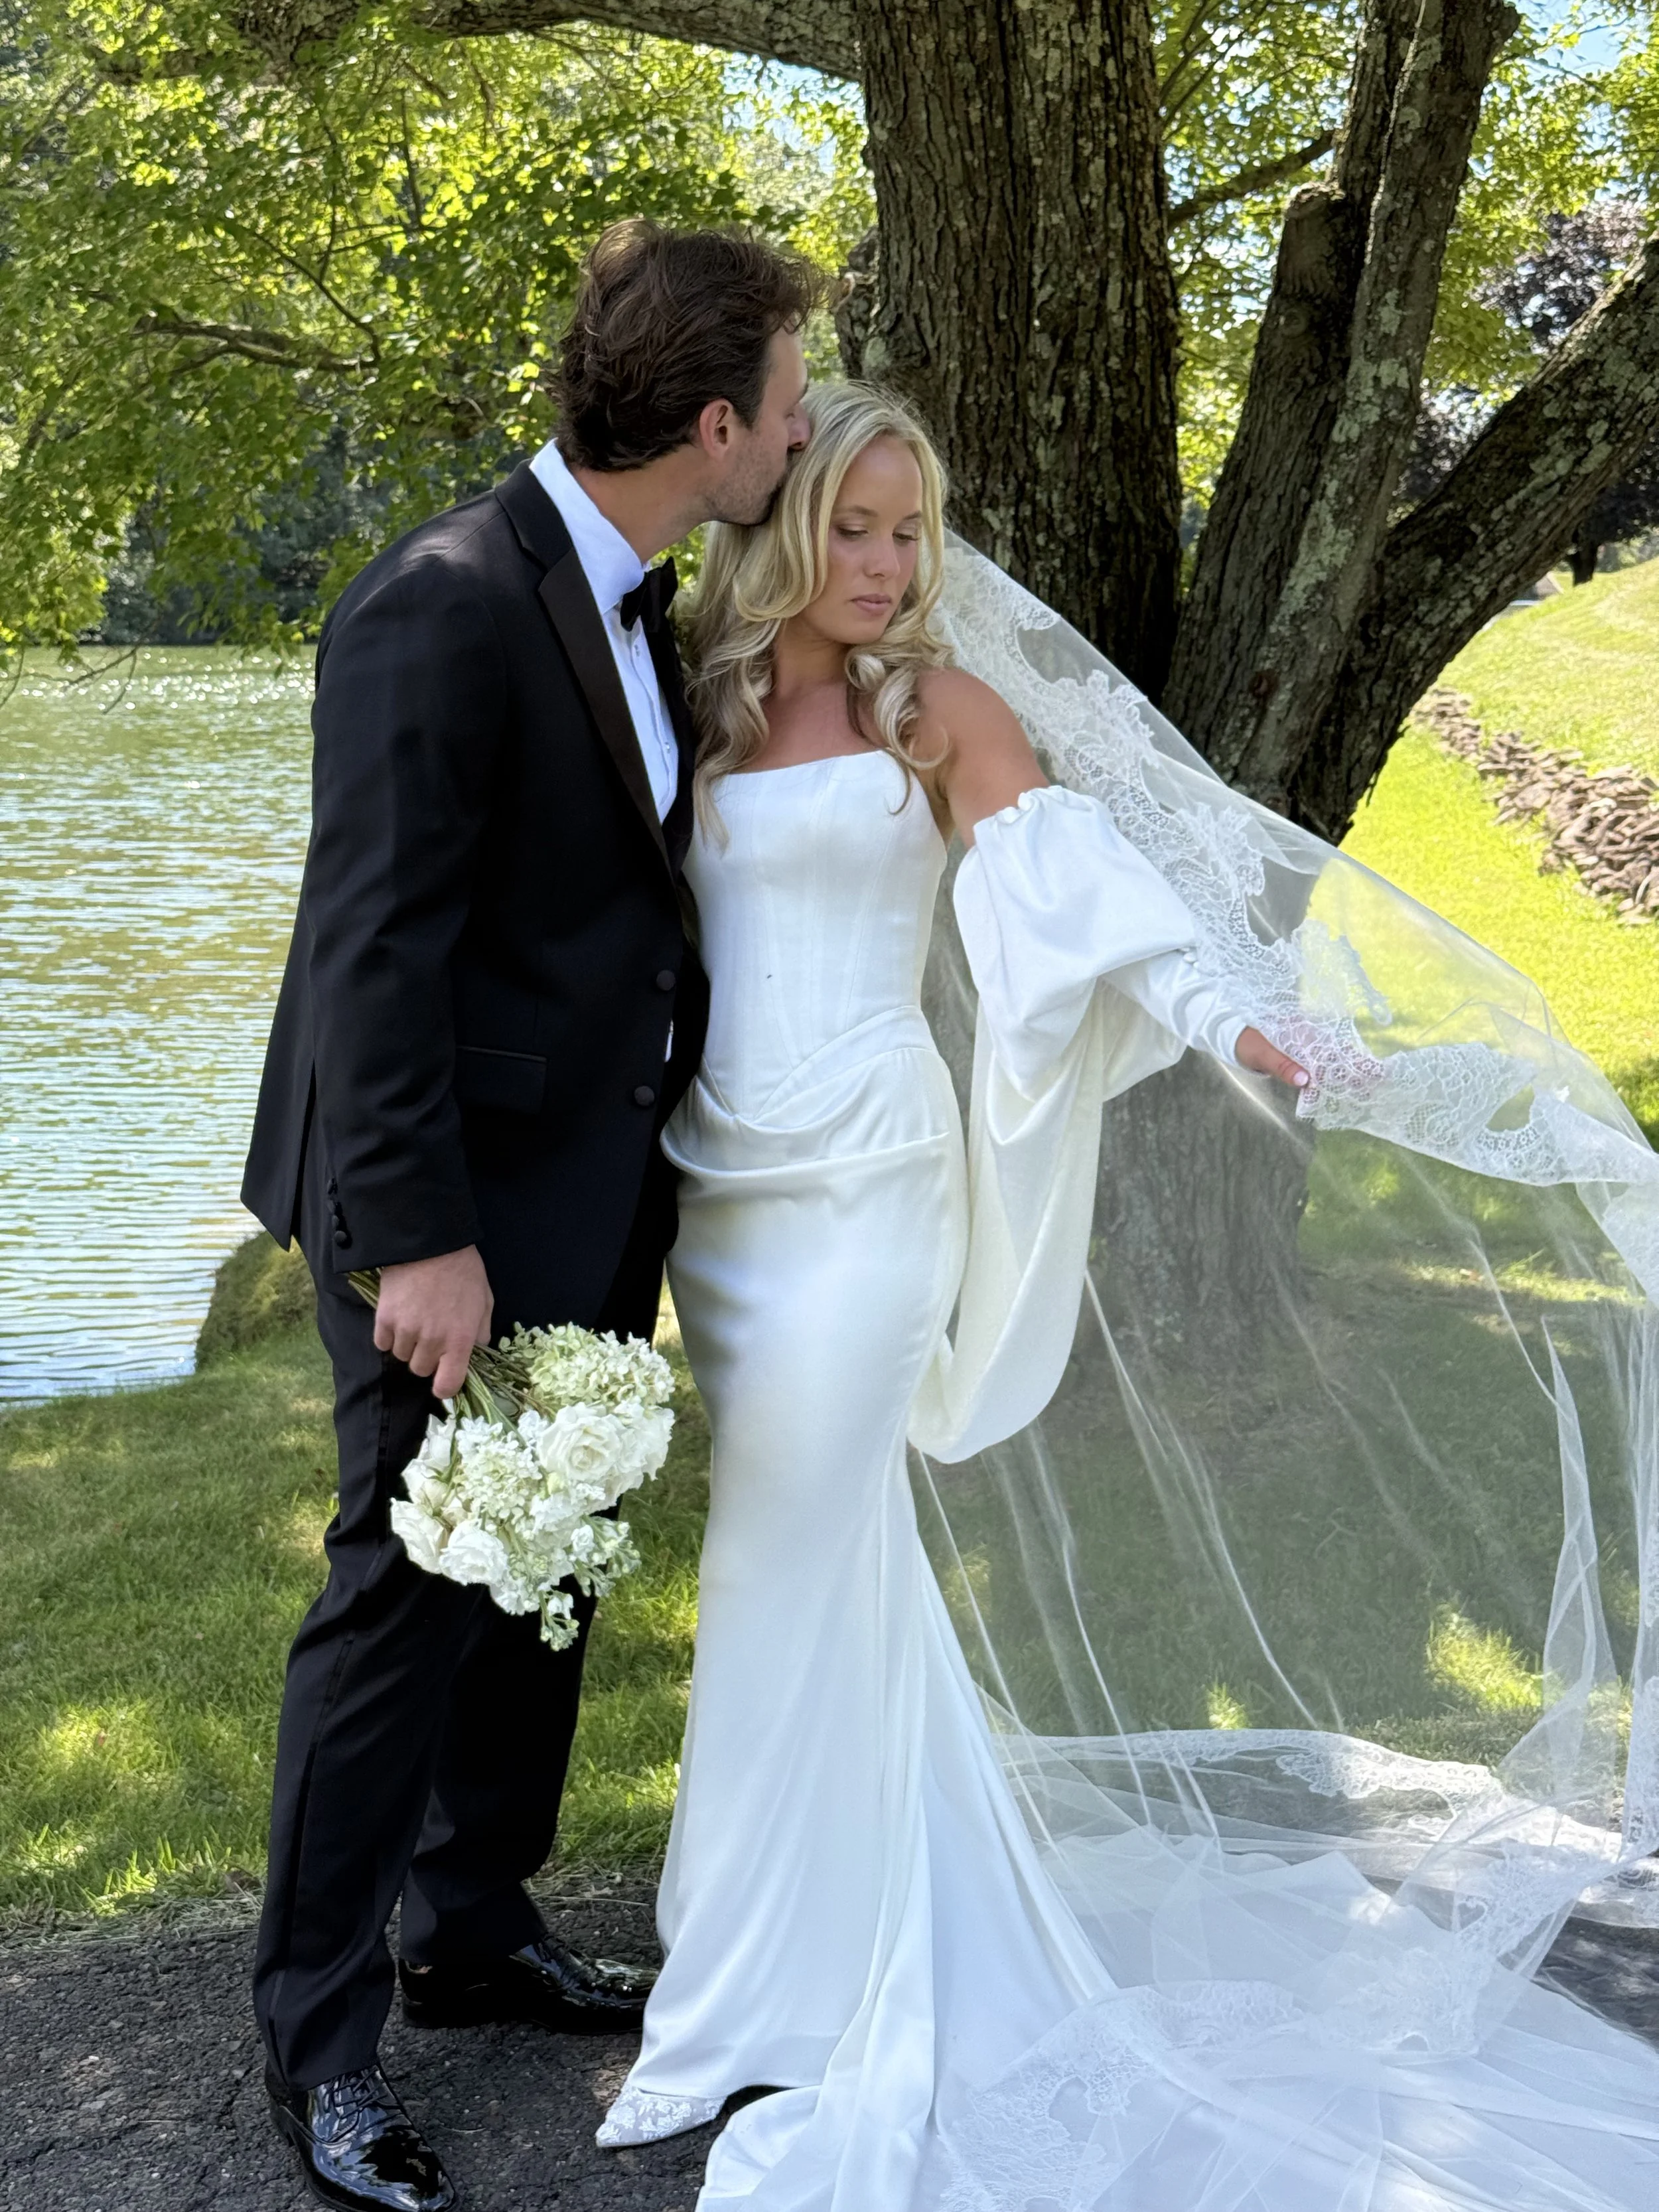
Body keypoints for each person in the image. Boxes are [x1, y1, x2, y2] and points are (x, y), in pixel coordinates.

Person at [595, 380, 1659, 2207]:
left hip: (867, 1187)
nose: (880, 562)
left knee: (789, 1542)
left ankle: (751, 1994)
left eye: (907, 530)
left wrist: (1236, 1013)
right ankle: (793, 1944)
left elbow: (1066, 893)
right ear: (776, 523)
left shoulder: (935, 706)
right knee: (809, 1562)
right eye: (848, 523)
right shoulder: (686, 697)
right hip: (730, 1203)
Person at [240, 220, 818, 2212]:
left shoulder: (640, 601)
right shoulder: (440, 598)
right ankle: (314, 2047)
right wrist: (417, 1239)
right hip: (438, 1208)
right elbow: (371, 949)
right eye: (794, 401)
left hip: (583, 1188)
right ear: (720, 421)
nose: (805, 434)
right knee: (397, 1604)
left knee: (539, 1557)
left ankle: (467, 1926)